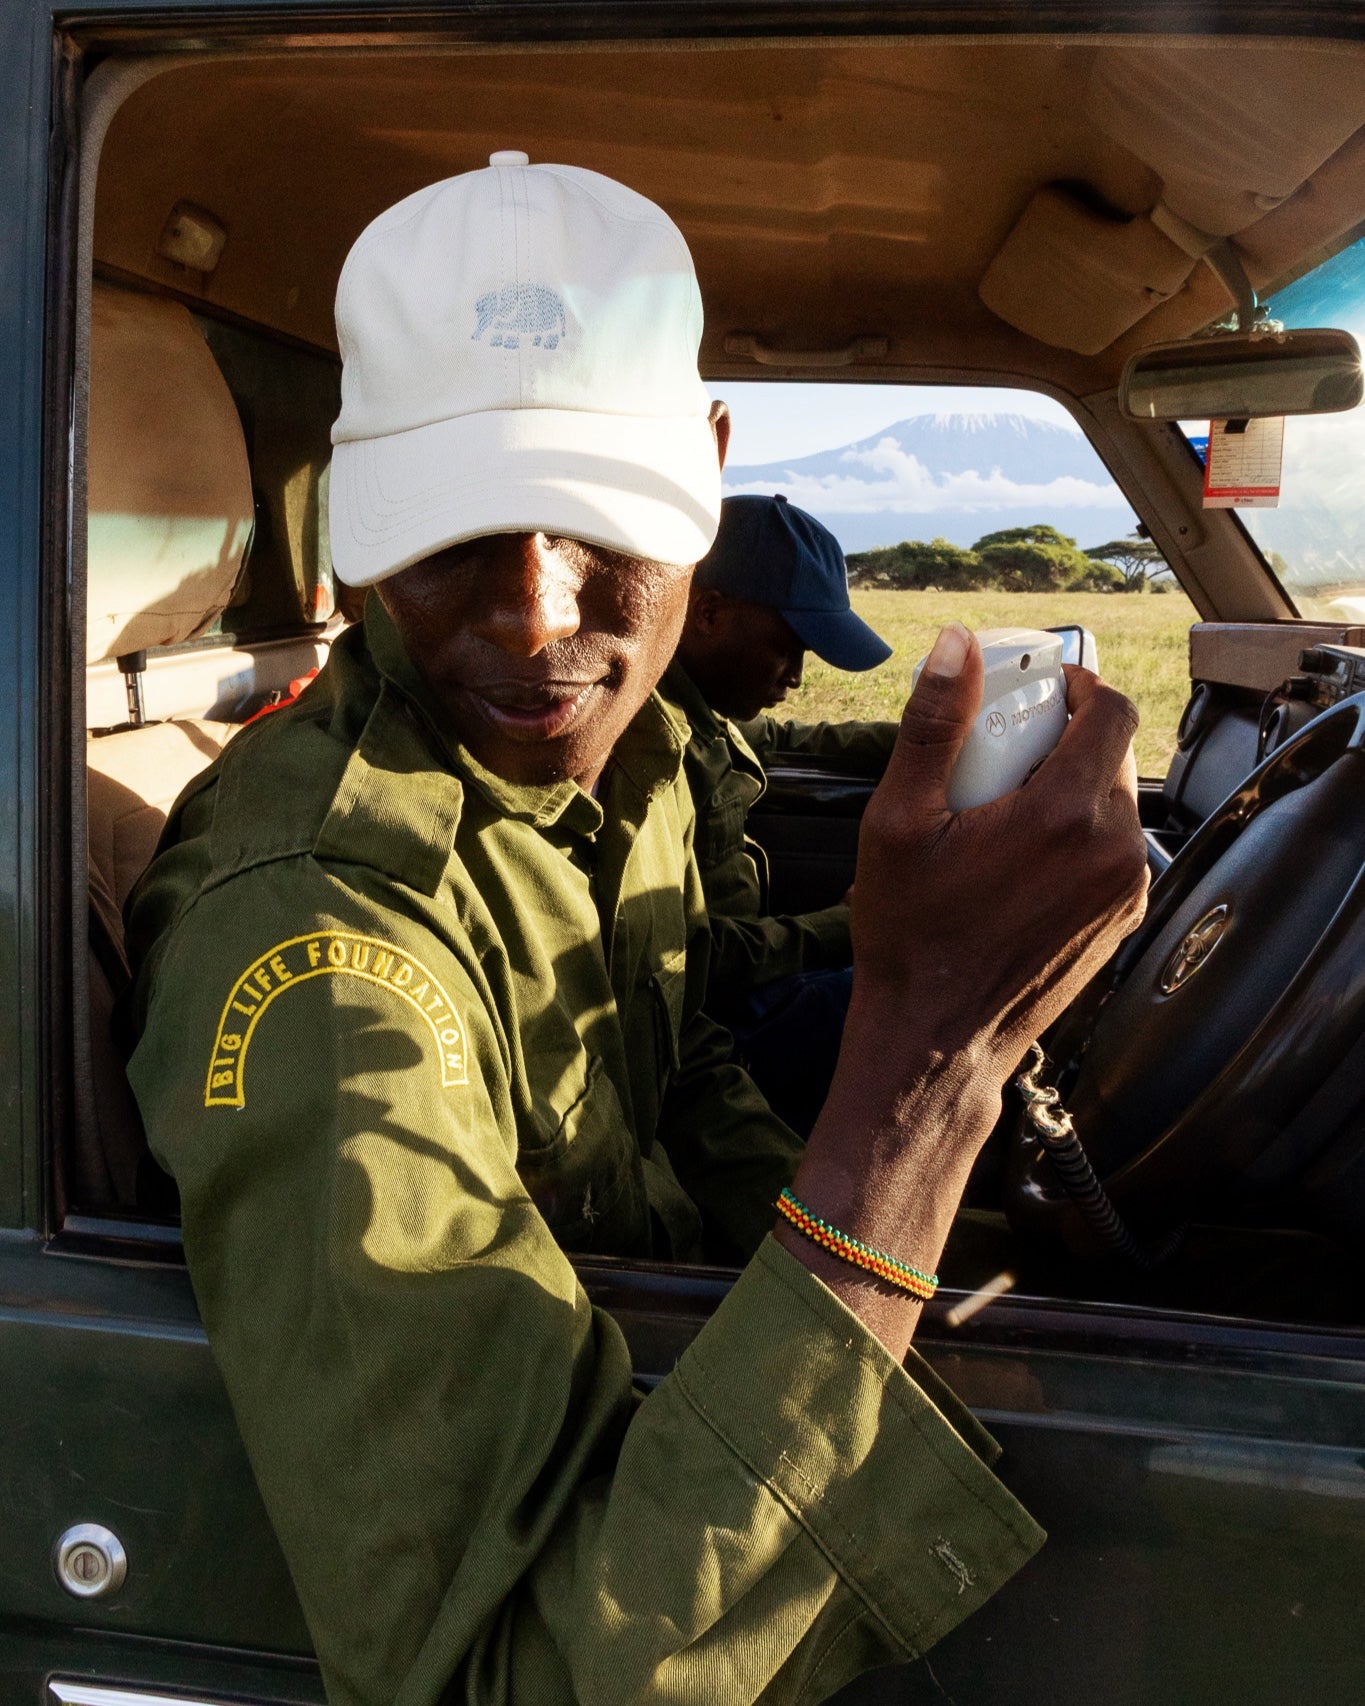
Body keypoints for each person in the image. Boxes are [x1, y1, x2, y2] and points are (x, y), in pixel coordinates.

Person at [124, 153, 1148, 1706]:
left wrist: (923, 1304)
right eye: (452, 529)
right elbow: (505, 1682)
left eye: (594, 516)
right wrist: (926, 1071)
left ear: (712, 466)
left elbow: (679, 1087)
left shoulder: (635, 759)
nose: (535, 613)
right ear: (356, 516)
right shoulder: (325, 950)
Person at [663, 494, 897, 1131]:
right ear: (707, 612)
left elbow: (792, 738)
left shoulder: (706, 709)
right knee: (922, 1003)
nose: (795, 674)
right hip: (718, 1023)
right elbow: (687, 963)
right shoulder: (652, 751)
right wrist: (844, 925)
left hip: (744, 992)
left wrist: (929, 736)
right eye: (788, 647)